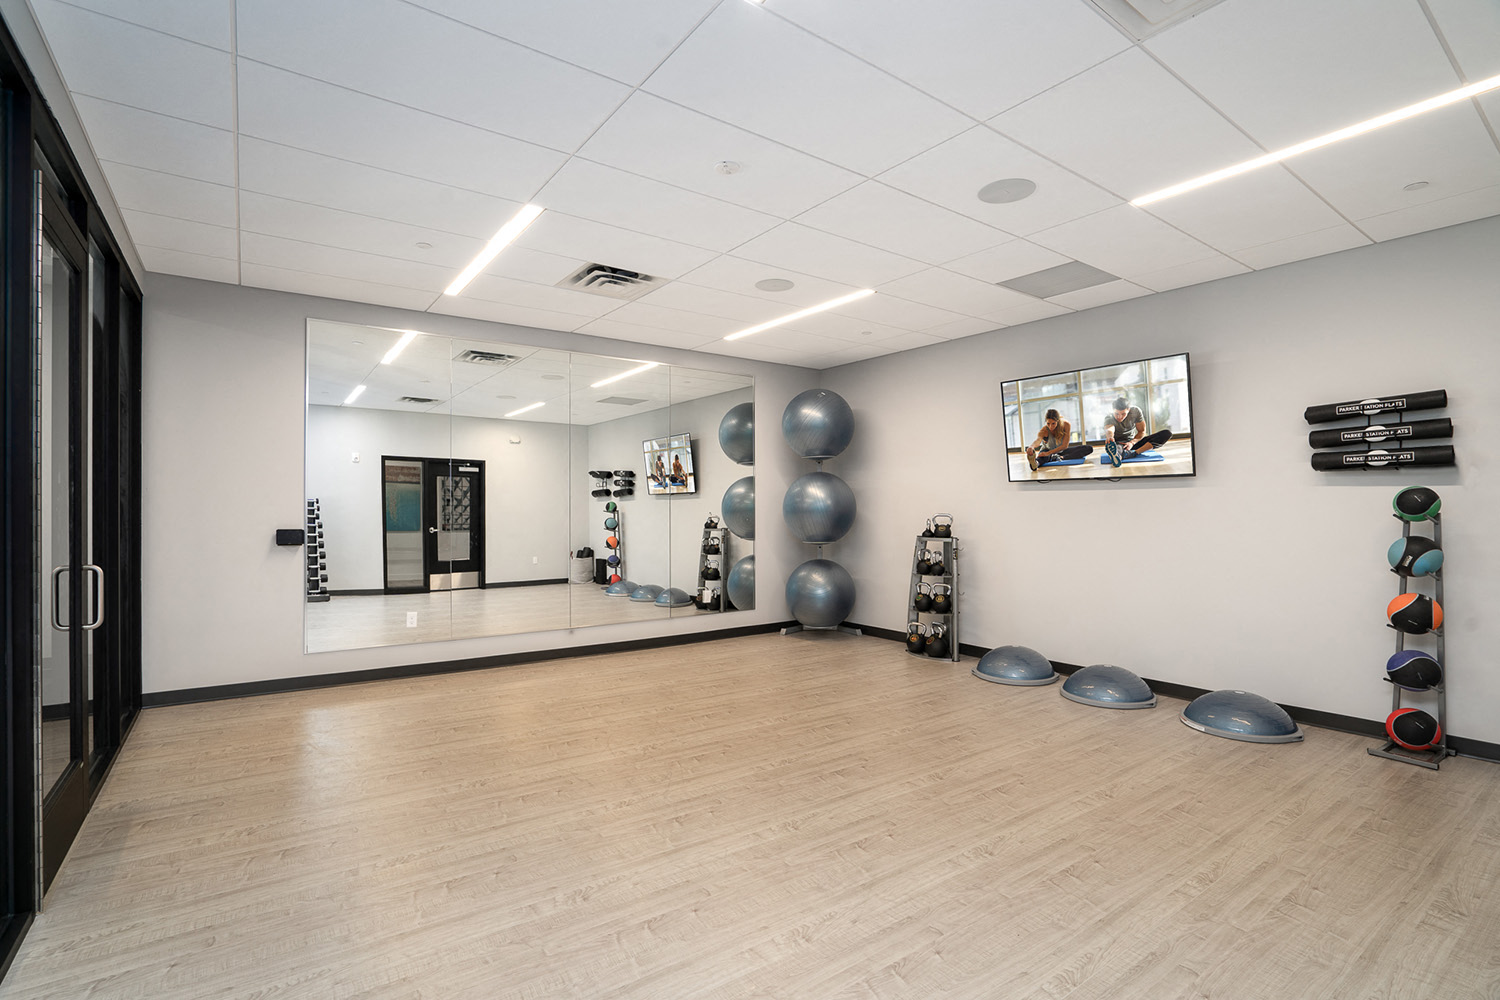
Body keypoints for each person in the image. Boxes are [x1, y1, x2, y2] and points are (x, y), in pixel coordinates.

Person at [1102, 396, 1172, 467]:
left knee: (1166, 434)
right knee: (1117, 449)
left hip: (1134, 443)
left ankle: (1132, 453)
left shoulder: (1135, 411)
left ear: (1128, 410)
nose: (1120, 417)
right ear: (1113, 410)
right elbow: (1109, 428)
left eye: (1123, 414)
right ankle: (1118, 455)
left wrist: (1132, 443)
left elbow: (1142, 431)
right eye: (1116, 414)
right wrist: (1110, 436)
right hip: (1119, 444)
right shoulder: (1109, 417)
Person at [1025, 409, 1094, 471]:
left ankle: (1060, 457)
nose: (1050, 426)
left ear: (1058, 421)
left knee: (1088, 448)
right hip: (1047, 451)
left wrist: (1049, 453)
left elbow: (1064, 446)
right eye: (1048, 423)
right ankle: (1036, 464)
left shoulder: (1066, 425)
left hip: (1061, 451)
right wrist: (1031, 447)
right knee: (1044, 457)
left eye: (1053, 423)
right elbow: (1038, 440)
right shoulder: (1044, 430)